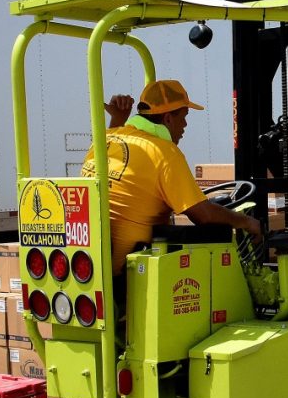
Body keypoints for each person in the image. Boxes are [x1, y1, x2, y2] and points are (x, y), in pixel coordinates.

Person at [82, 79, 262, 276]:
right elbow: (204, 216)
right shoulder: (164, 153)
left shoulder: (106, 140)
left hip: (91, 266)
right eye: (184, 116)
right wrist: (246, 222)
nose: (185, 124)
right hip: (132, 273)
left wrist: (117, 120)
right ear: (168, 119)